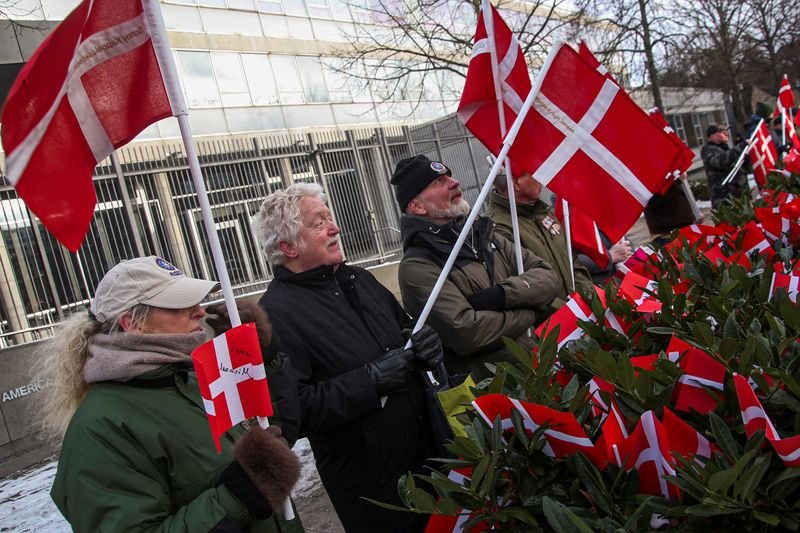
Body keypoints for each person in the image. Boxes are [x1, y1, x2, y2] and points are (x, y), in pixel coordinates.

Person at [41, 256, 303, 532]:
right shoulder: (101, 428)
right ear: (132, 323)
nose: (200, 311)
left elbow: (276, 426)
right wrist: (238, 497)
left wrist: (258, 357)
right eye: (180, 303)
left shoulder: (190, 377)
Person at [252, 183, 443, 533]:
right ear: (288, 247)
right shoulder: (273, 316)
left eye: (330, 217)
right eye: (318, 222)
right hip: (375, 485)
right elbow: (293, 410)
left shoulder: (360, 278)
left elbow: (403, 329)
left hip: (430, 452)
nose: (334, 227)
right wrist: (369, 381)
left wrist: (425, 341)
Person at [391, 155, 560, 380]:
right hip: (495, 391)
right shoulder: (417, 267)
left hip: (538, 369)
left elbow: (548, 276)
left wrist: (503, 295)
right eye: (438, 182)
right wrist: (531, 310)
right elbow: (469, 333)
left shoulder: (484, 236)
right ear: (417, 206)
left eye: (449, 176)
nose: (454, 182)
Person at [486, 171, 594, 303]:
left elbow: (572, 262)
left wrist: (589, 299)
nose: (541, 179)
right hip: (554, 320)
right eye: (533, 174)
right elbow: (522, 290)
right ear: (516, 183)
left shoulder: (542, 211)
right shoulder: (498, 229)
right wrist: (568, 312)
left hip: (579, 313)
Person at [701, 124, 749, 208]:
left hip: (736, 195)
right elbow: (720, 161)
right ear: (712, 136)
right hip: (723, 197)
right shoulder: (708, 149)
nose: (727, 134)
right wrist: (740, 147)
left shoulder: (723, 148)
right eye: (723, 132)